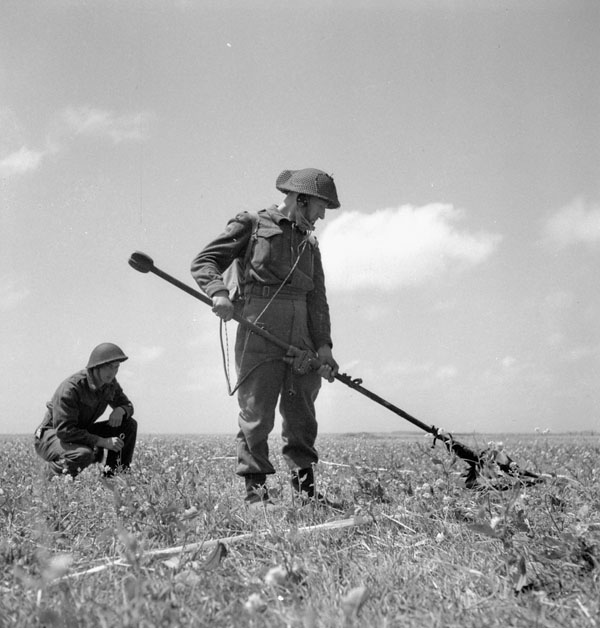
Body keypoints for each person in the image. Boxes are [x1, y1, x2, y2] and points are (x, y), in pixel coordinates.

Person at [191, 168, 343, 510]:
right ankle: (256, 496)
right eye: (320, 206)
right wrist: (219, 293)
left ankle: (306, 496)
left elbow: (317, 301)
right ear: (300, 198)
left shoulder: (310, 245)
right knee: (256, 413)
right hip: (259, 327)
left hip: (302, 336)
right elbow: (205, 261)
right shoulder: (252, 224)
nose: (322, 216)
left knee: (302, 415)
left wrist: (324, 347)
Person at [34, 342, 138, 478]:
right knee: (82, 454)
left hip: (80, 431)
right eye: (108, 367)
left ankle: (115, 477)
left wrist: (121, 409)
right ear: (96, 367)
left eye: (116, 367)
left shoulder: (109, 383)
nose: (113, 372)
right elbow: (65, 431)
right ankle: (46, 479)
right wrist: (103, 442)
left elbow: (127, 405)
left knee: (129, 424)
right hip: (51, 435)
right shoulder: (71, 388)